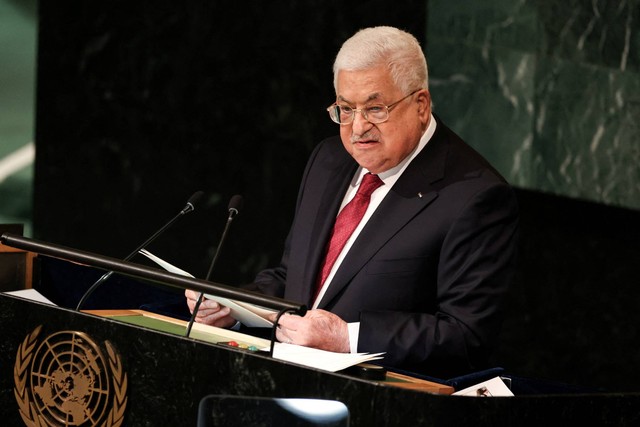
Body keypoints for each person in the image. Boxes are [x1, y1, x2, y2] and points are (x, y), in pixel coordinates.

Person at [185, 26, 519, 379]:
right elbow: (293, 278)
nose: (357, 128)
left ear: (421, 105)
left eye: (375, 108)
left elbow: (466, 336)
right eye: (345, 108)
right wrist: (236, 304)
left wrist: (348, 338)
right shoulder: (328, 160)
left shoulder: (474, 196)